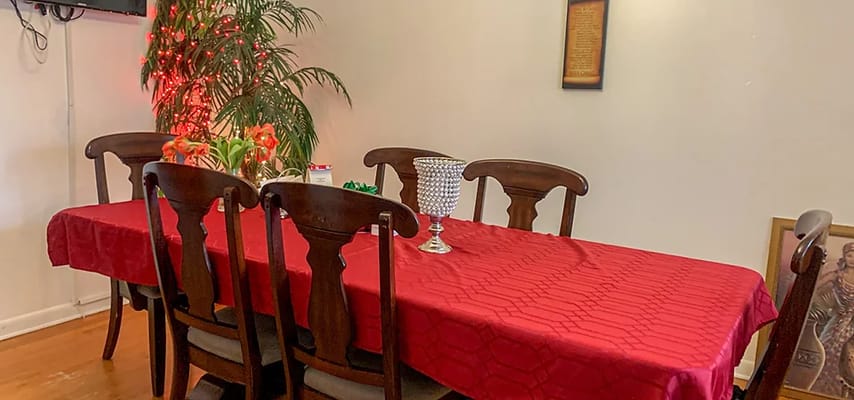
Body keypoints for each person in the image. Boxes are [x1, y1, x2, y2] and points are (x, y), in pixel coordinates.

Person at [809, 242, 854, 397]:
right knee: (825, 348)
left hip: (852, 325)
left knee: (847, 356)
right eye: (849, 255)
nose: (852, 259)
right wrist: (831, 307)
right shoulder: (837, 275)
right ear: (844, 257)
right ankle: (817, 389)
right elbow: (814, 288)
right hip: (836, 320)